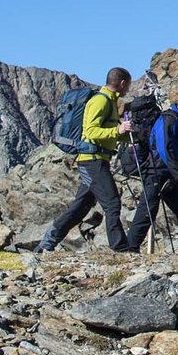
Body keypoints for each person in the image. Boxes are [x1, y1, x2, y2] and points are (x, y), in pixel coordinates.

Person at [36, 67, 134, 253]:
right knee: (112, 203)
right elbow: (90, 132)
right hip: (92, 160)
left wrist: (131, 135)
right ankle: (121, 248)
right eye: (127, 85)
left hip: (96, 159)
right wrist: (118, 130)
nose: (128, 89)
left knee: (80, 208)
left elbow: (107, 134)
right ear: (122, 83)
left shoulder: (109, 102)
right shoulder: (101, 101)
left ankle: (46, 244)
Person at [124, 90, 178, 254]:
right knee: (148, 210)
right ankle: (130, 249)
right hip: (156, 171)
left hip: (168, 173)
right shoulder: (169, 119)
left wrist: (177, 173)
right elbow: (164, 148)